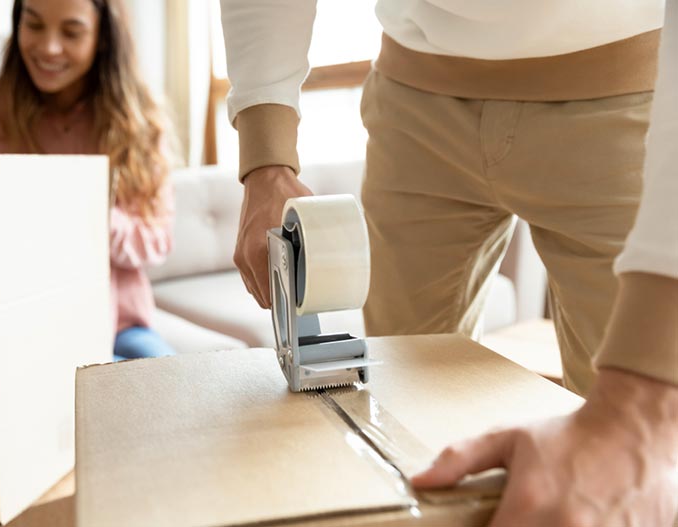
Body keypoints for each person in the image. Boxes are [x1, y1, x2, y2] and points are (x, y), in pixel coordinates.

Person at [220, 0, 678, 524]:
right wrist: (265, 157)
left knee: (630, 460)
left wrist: (641, 407)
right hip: (415, 100)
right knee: (406, 413)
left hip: (624, 89)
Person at [0, 0, 176, 361]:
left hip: (120, 325)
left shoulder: (138, 125)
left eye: (71, 32)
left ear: (102, 37)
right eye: (34, 25)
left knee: (169, 388)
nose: (49, 47)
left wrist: (90, 213)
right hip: (5, 322)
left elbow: (158, 240)